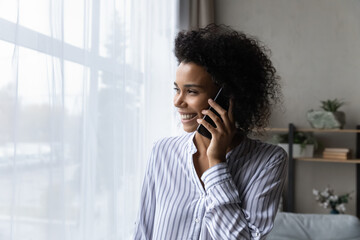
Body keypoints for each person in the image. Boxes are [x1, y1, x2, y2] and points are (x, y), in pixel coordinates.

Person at [134, 24, 288, 240]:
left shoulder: (268, 161)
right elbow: (144, 230)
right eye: (177, 89)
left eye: (192, 91)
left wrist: (216, 162)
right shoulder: (162, 152)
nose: (178, 101)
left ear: (227, 98)